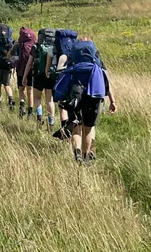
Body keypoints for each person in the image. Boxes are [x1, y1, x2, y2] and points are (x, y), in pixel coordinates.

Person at [53, 35, 118, 164]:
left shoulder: (72, 59)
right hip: (93, 96)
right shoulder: (97, 60)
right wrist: (112, 101)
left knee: (76, 126)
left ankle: (77, 155)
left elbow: (63, 77)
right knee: (88, 128)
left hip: (75, 95)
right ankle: (86, 156)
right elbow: (106, 82)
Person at [22, 27, 56, 129]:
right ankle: (51, 124)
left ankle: (39, 117)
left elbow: (29, 64)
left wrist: (24, 77)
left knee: (37, 98)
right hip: (49, 75)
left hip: (38, 75)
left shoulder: (36, 47)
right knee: (49, 100)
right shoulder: (53, 48)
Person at [51, 28, 79, 139]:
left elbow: (58, 71)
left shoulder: (60, 52)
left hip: (64, 86)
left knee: (62, 107)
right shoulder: (77, 50)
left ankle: (64, 130)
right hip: (77, 85)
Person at [12, 27, 37, 118]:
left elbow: (10, 54)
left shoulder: (18, 44)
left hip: (21, 69)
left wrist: (13, 62)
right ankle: (30, 112)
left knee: (21, 89)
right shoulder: (34, 44)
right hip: (31, 69)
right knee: (30, 91)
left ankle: (22, 107)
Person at [0, 23, 15, 111]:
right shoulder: (10, 42)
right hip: (7, 65)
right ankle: (11, 98)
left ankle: (0, 104)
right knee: (7, 85)